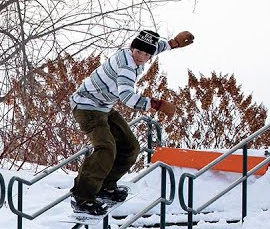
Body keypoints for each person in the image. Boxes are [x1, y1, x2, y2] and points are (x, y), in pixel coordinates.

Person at [69, 28, 195, 216]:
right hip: (86, 107)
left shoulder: (143, 52)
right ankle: (82, 197)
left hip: (104, 106)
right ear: (132, 49)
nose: (142, 57)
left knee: (130, 147)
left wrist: (174, 43)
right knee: (106, 148)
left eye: (146, 54)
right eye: (138, 53)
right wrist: (157, 104)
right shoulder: (126, 67)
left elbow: (157, 47)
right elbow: (127, 97)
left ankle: (105, 186)